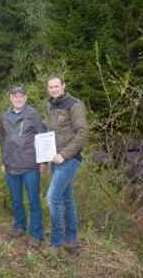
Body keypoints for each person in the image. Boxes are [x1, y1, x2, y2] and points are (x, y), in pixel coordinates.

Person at [44, 74, 88, 251]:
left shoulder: (74, 105)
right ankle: (72, 239)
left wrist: (64, 154)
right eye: (51, 87)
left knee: (52, 198)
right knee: (67, 199)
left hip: (69, 159)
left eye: (56, 86)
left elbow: (83, 132)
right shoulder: (50, 105)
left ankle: (56, 241)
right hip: (54, 159)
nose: (54, 89)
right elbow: (51, 131)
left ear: (63, 85)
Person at [0, 85, 46, 247]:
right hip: (11, 164)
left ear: (25, 98)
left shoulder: (33, 115)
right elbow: (3, 140)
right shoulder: (5, 116)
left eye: (21, 96)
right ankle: (19, 226)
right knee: (16, 200)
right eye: (15, 96)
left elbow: (42, 138)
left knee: (33, 200)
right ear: (11, 98)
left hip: (30, 165)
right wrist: (3, 161)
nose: (18, 99)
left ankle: (36, 234)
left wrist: (43, 162)